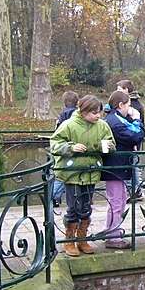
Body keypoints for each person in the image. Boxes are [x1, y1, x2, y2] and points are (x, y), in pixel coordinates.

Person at [50, 95, 115, 257]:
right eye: (94, 113)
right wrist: (70, 147)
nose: (98, 116)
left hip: (92, 171)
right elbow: (55, 144)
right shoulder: (69, 125)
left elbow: (111, 144)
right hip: (72, 173)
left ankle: (82, 238)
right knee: (73, 207)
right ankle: (69, 240)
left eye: (99, 112)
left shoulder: (103, 126)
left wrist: (100, 146)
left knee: (86, 206)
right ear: (83, 111)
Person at [101, 91, 145, 249]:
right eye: (128, 105)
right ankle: (112, 236)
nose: (130, 108)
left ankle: (114, 232)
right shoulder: (115, 121)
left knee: (120, 198)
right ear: (120, 105)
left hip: (119, 166)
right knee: (116, 201)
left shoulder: (118, 119)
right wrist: (138, 120)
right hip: (115, 167)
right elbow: (135, 136)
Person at [116, 79, 145, 199]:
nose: (117, 92)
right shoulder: (132, 103)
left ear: (127, 90)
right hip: (131, 138)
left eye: (119, 89)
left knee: (132, 165)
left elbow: (135, 125)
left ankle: (134, 190)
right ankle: (136, 190)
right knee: (133, 165)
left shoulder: (134, 106)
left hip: (131, 139)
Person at [52, 91, 80, 207]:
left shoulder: (63, 114)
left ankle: (54, 197)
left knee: (62, 174)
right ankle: (54, 196)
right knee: (65, 175)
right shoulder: (74, 114)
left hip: (65, 148)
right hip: (72, 148)